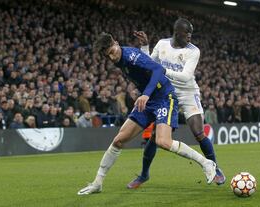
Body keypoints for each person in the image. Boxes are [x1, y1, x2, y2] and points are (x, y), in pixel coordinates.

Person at [77, 32, 216, 195]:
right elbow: (147, 63)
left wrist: (145, 94)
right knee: (119, 140)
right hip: (148, 101)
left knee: (163, 141)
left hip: (164, 97)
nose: (112, 57)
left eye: (112, 52)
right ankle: (97, 183)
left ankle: (206, 163)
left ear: (116, 42)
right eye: (107, 56)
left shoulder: (130, 55)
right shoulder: (120, 59)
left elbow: (158, 69)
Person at [128, 18, 225, 189]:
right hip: (166, 93)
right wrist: (144, 47)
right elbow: (148, 64)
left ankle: (215, 169)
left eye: (191, 34)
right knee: (156, 137)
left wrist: (163, 70)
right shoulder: (162, 44)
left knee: (198, 132)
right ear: (177, 32)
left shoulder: (193, 51)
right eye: (187, 34)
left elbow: (186, 76)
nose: (190, 37)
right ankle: (144, 175)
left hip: (188, 93)